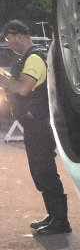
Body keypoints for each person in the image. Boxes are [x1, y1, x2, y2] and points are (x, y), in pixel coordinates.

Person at [0, 20, 69, 235]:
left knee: (45, 172)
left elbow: (23, 88)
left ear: (19, 36)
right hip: (33, 125)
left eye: (9, 39)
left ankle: (61, 222)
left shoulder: (35, 58)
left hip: (40, 125)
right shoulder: (27, 59)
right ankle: (53, 216)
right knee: (40, 172)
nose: (9, 44)